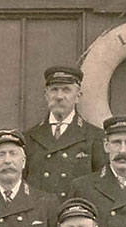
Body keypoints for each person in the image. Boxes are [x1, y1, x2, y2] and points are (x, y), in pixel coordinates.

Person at [22, 65, 104, 198]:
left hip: (76, 214)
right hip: (40, 216)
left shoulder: (95, 136)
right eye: (54, 90)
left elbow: (101, 187)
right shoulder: (29, 137)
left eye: (66, 90)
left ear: (78, 96)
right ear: (46, 95)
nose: (59, 96)